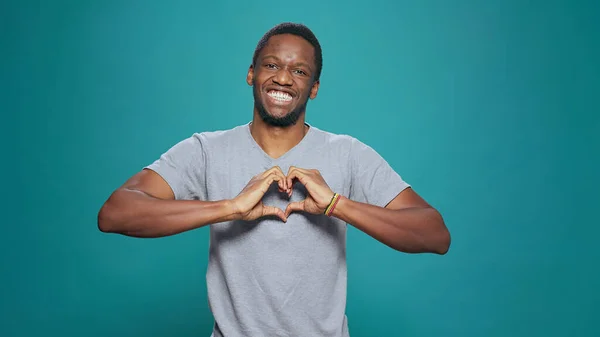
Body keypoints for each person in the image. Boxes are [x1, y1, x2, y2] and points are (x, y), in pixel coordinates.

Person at [98, 22, 451, 337]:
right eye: (272, 65)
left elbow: (434, 233)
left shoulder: (348, 154)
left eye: (299, 71)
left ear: (313, 88)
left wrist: (335, 204)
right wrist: (230, 207)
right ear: (251, 73)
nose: (283, 78)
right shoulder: (205, 150)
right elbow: (116, 213)